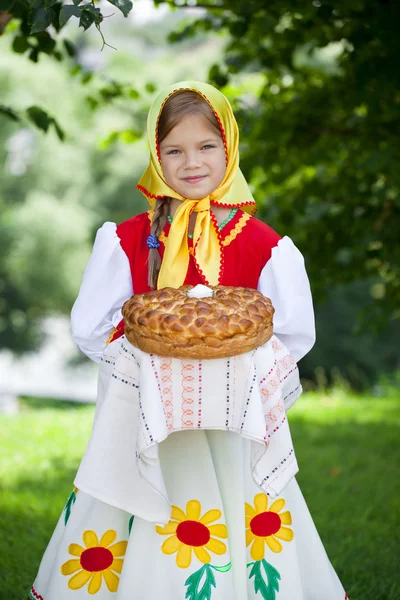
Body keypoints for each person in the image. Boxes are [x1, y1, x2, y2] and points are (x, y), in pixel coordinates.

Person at [28, 81, 348, 600]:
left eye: (206, 147)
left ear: (230, 149)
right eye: (173, 150)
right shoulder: (130, 238)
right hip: (146, 422)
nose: (191, 162)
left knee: (232, 503)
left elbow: (291, 335)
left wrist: (227, 370)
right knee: (142, 506)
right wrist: (144, 370)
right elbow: (92, 327)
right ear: (156, 156)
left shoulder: (265, 245)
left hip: (234, 424)